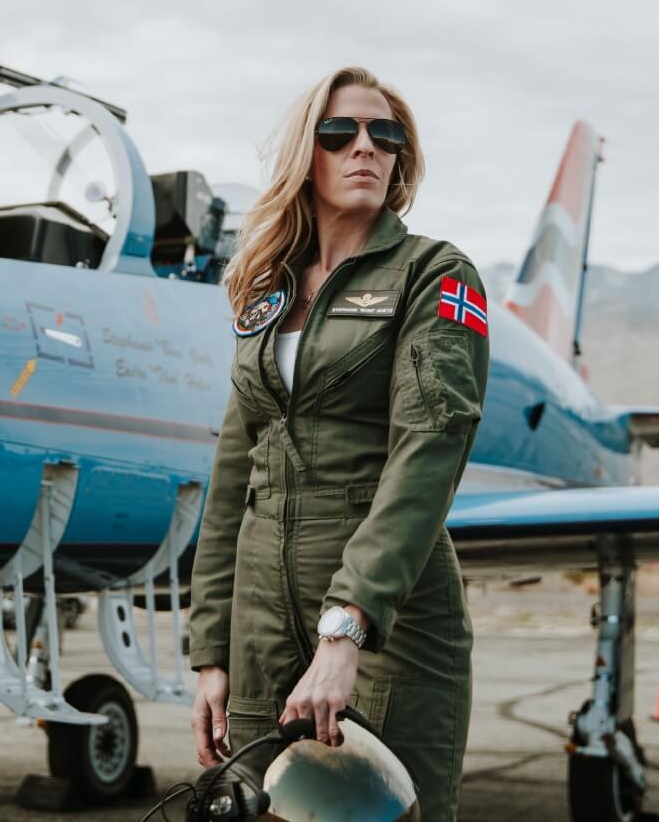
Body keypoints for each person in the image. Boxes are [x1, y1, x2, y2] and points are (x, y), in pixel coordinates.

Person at [188, 66, 489, 821]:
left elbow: (431, 447)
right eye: (341, 132)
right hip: (259, 610)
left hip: (388, 616)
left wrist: (347, 626)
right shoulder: (267, 290)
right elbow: (235, 473)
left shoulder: (434, 273)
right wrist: (212, 651)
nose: (366, 147)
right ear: (306, 153)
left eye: (385, 136)